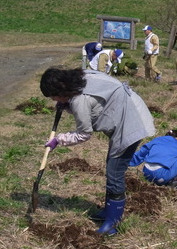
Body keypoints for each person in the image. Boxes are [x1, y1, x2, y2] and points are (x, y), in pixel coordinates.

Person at [40, 67, 155, 235]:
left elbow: (84, 134)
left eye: (53, 96)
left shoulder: (79, 100)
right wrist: (65, 104)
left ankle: (112, 222)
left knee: (114, 172)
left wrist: (59, 139)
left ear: (61, 90)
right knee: (111, 169)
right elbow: (94, 103)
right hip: (129, 109)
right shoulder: (81, 77)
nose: (52, 99)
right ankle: (109, 211)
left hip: (131, 123)